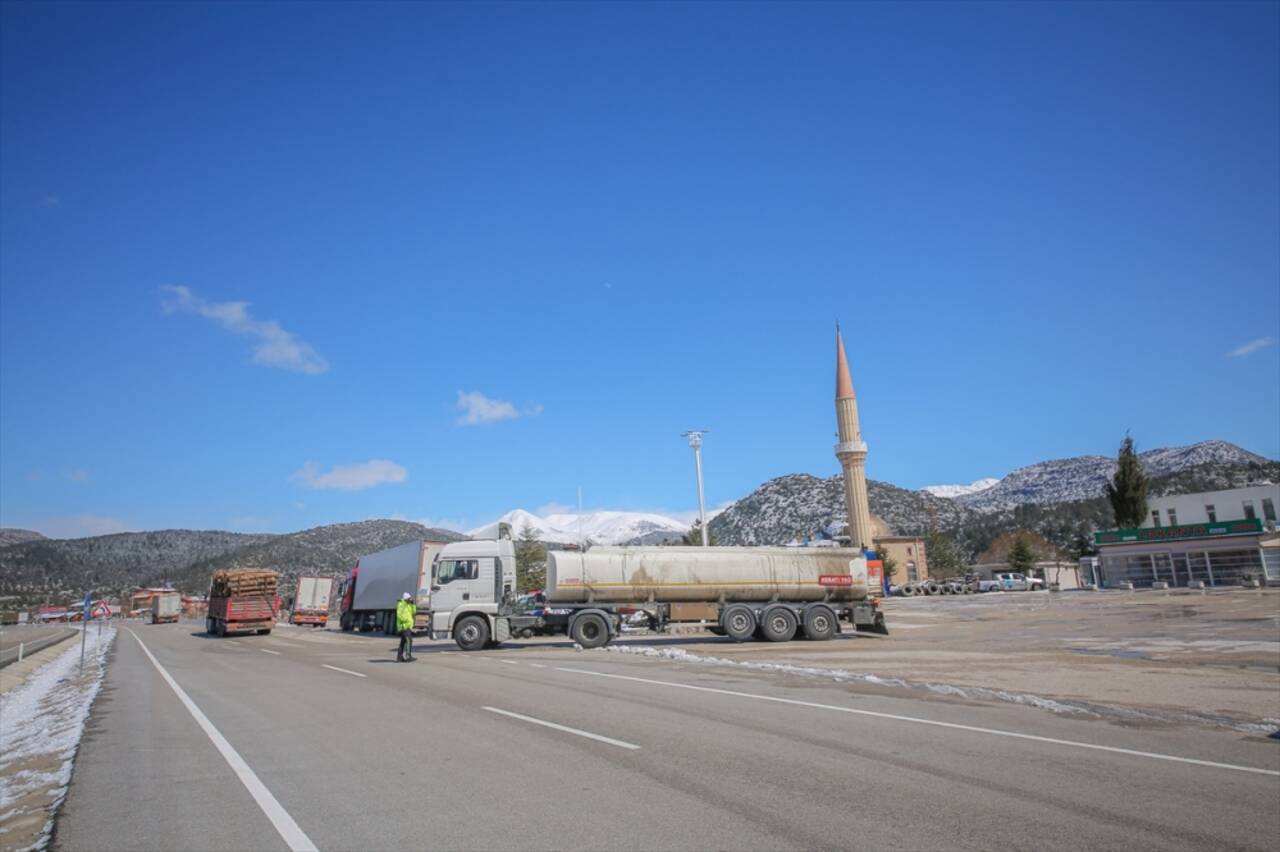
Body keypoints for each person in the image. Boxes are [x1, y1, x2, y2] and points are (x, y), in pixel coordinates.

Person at [395, 592, 416, 662]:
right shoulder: (401, 604)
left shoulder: (408, 605)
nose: (410, 600)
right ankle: (408, 656)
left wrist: (413, 604)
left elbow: (413, 612)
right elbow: (399, 615)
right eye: (409, 599)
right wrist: (406, 620)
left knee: (403, 642)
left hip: (408, 626)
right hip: (404, 626)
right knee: (409, 640)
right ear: (406, 599)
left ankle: (399, 657)